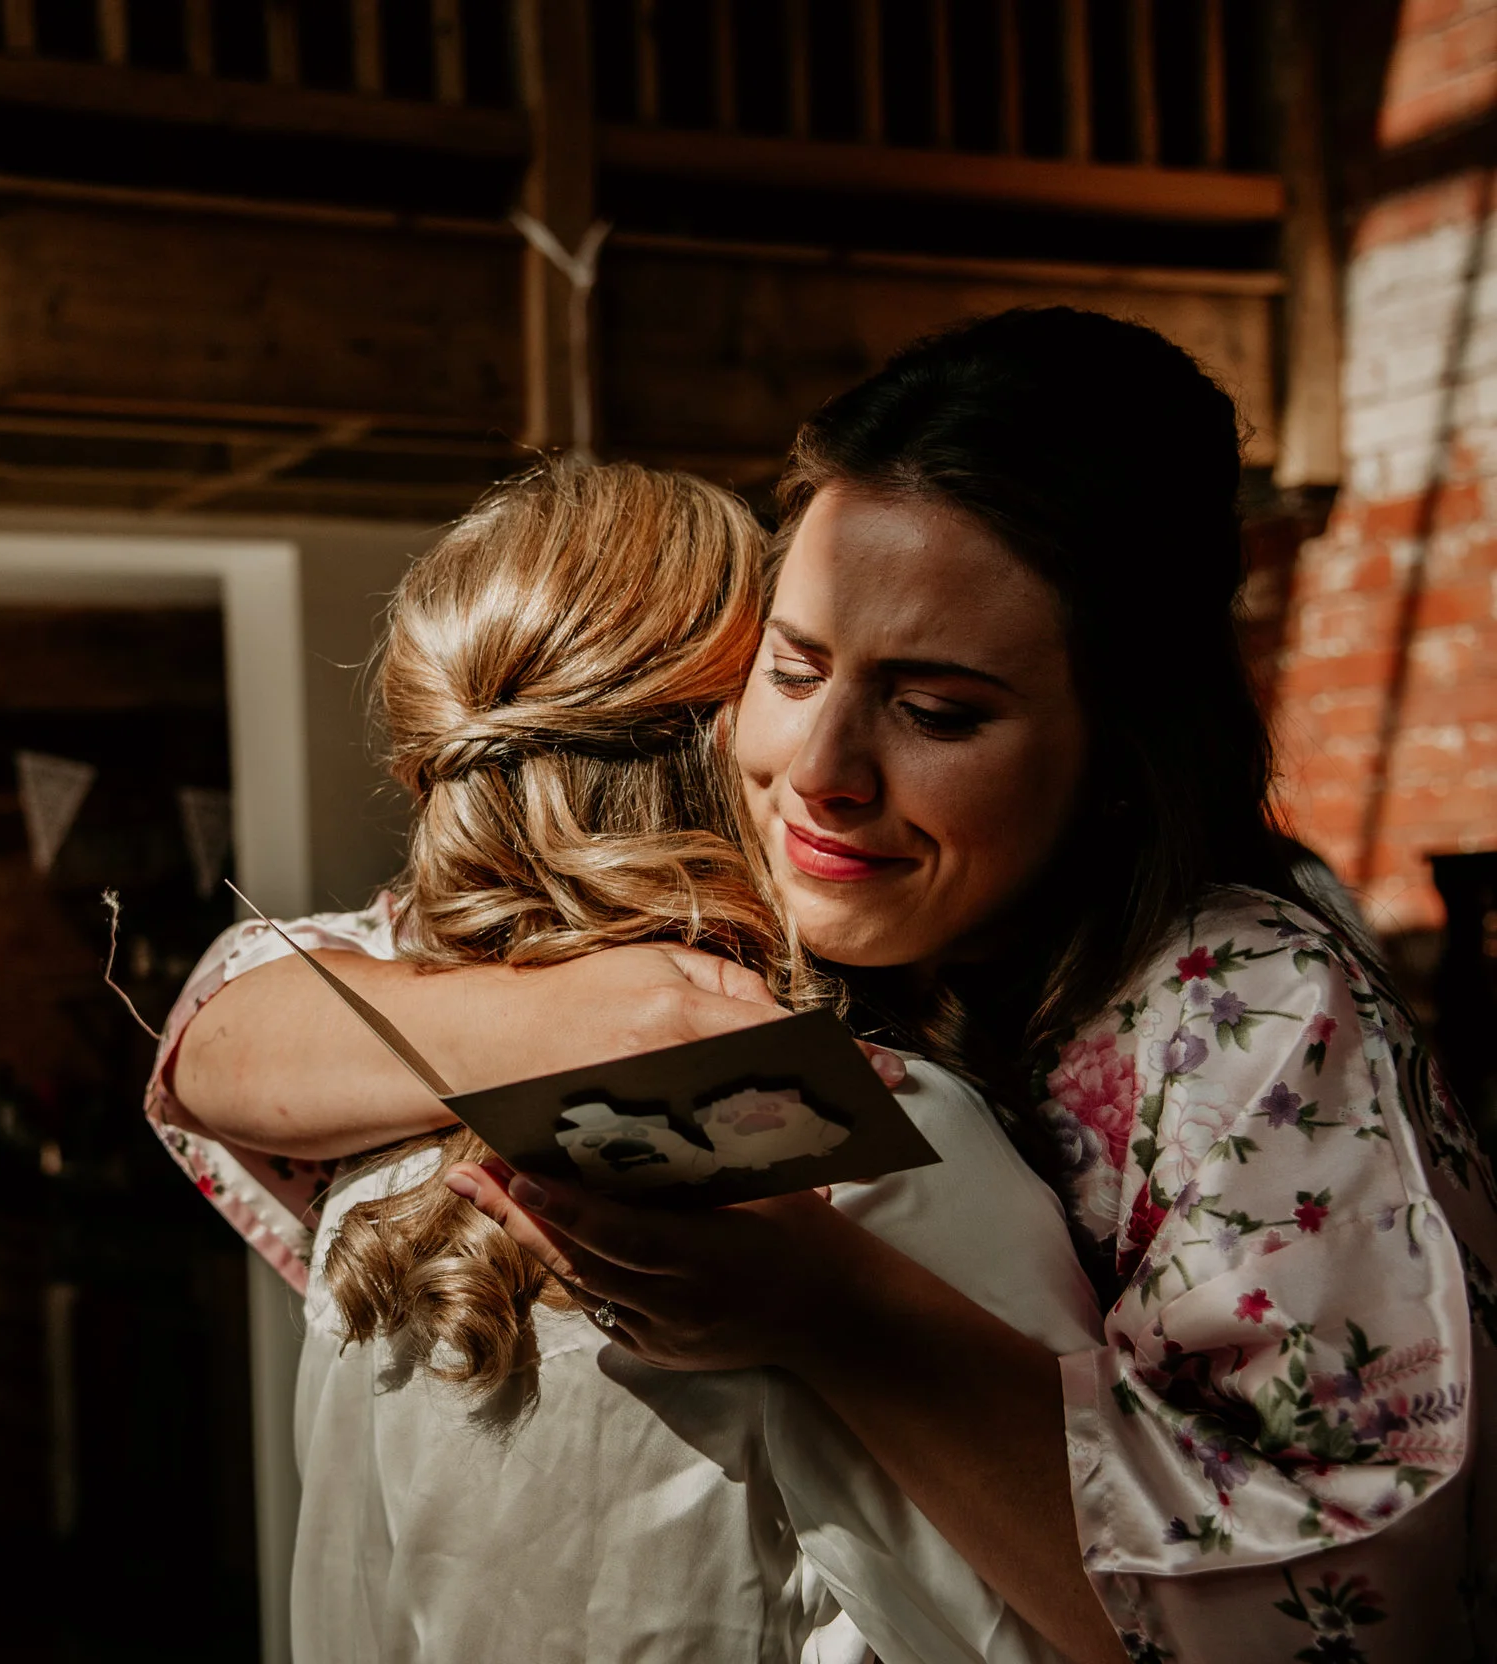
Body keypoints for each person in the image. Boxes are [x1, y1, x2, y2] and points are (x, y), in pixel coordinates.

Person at [161, 309, 1497, 1662]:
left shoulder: (1252, 1015)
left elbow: (1344, 1628)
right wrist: (586, 1017)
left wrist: (835, 1314)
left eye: (940, 712)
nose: (821, 768)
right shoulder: (760, 875)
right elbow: (221, 1036)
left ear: (1123, 745)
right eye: (792, 669)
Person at [155, 457, 1103, 1662]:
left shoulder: (367, 1156)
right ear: (729, 727)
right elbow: (1131, 1621)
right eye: (796, 669)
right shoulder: (865, 1158)